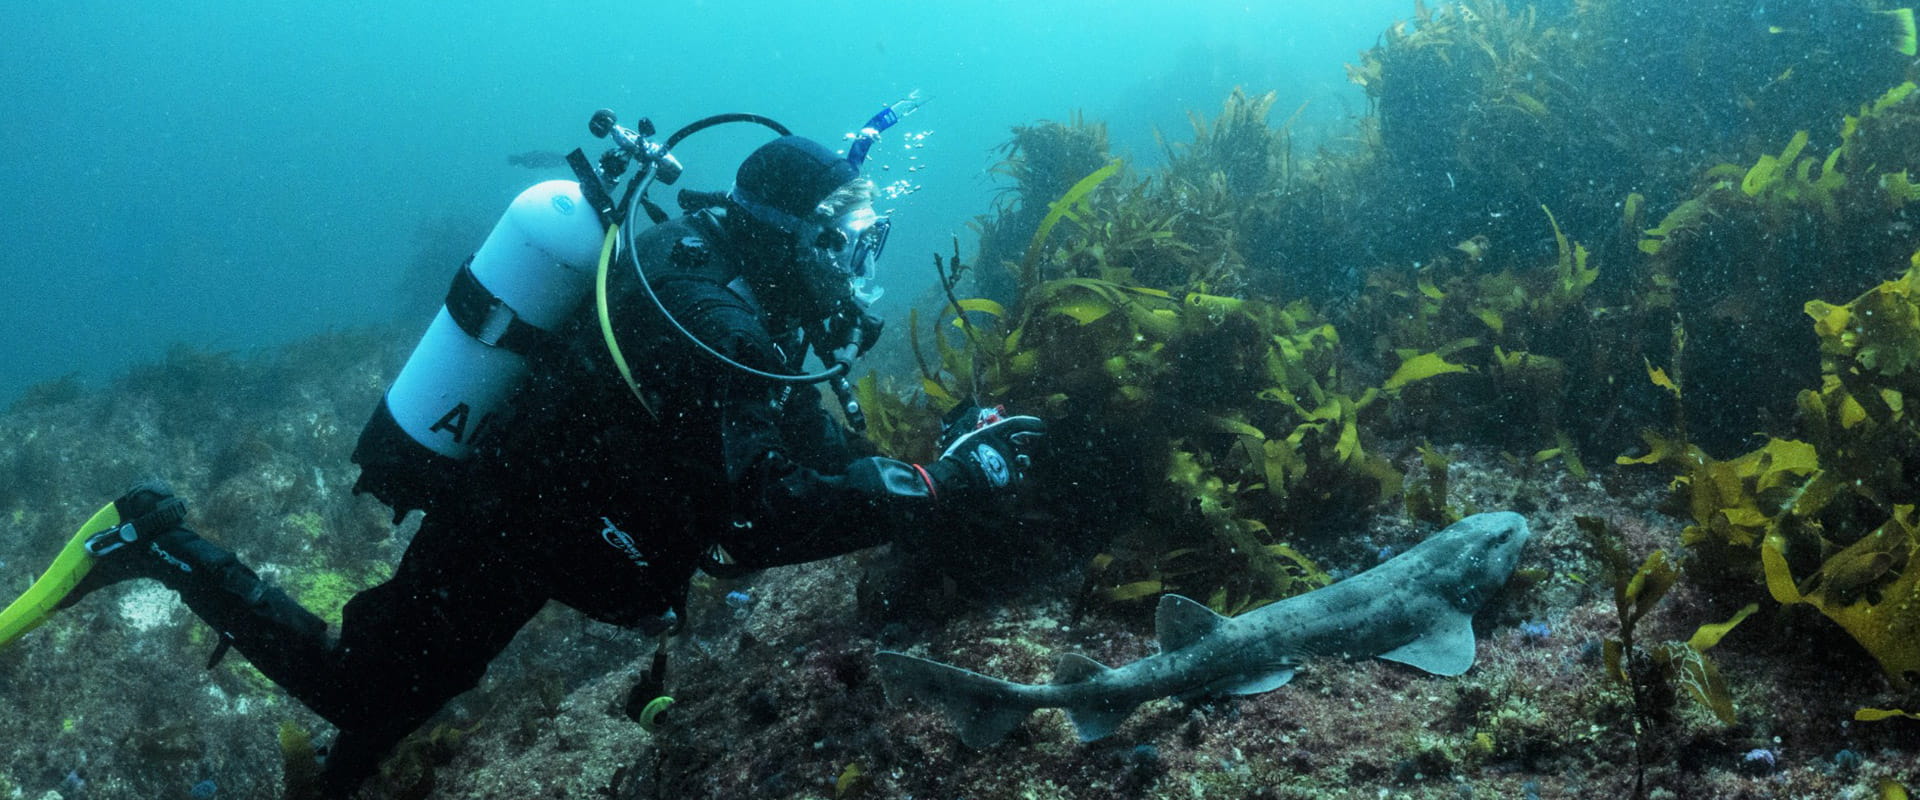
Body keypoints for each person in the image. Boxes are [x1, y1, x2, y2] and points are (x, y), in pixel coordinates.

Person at [48, 134, 1047, 795]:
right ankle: (154, 536)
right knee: (365, 687)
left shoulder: (727, 285)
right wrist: (935, 486)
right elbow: (754, 519)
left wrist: (931, 460)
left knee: (399, 693)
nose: (854, 266)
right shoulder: (716, 318)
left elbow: (806, 444)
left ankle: (338, 777)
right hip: (516, 518)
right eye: (845, 241)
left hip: (562, 521)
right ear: (795, 232)